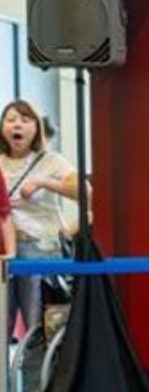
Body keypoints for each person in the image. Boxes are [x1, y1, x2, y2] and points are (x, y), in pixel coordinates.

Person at [0, 100, 83, 336]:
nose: (17, 125)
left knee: (38, 328)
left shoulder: (51, 161)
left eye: (25, 120)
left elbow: (85, 193)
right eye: (11, 119)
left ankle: (38, 374)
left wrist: (44, 182)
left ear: (38, 127)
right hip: (3, 249)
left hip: (39, 249)